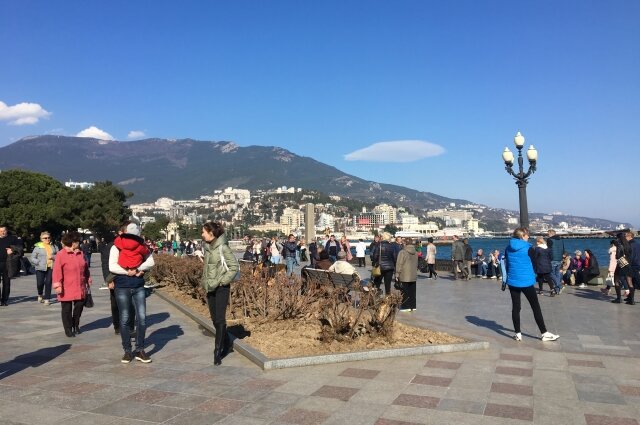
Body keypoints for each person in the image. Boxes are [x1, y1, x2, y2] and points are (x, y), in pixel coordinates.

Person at [109, 221, 155, 364]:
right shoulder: (116, 247)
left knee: (141, 318)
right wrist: (130, 271)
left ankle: (140, 349)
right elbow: (112, 266)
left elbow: (150, 261)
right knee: (125, 318)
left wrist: (137, 269)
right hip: (122, 286)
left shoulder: (141, 247)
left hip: (138, 286)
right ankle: (127, 350)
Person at [504, 228, 559, 342]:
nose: (528, 237)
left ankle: (518, 334)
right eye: (527, 235)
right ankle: (544, 333)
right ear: (522, 236)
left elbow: (507, 264)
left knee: (516, 307)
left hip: (513, 280)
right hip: (526, 281)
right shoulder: (529, 248)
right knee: (535, 307)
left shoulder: (508, 248)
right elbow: (535, 263)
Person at [201, 221, 239, 365]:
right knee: (214, 319)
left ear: (211, 233)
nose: (202, 234)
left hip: (221, 288)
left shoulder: (223, 247)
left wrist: (223, 281)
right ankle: (228, 342)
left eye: (204, 232)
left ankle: (218, 351)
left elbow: (234, 267)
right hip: (210, 287)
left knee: (220, 318)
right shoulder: (208, 247)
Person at [52, 231, 91, 337]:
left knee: (79, 306)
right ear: (72, 242)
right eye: (77, 241)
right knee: (66, 309)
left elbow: (85, 267)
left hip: (80, 285)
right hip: (66, 286)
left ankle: (75, 323)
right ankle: (68, 329)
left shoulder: (80, 253)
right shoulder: (61, 254)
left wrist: (88, 278)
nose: (79, 242)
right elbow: (56, 271)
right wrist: (57, 285)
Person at [100, 229, 134, 335]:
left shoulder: (134, 245)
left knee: (131, 304)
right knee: (116, 304)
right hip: (115, 279)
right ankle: (117, 326)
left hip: (130, 279)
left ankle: (130, 327)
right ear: (120, 232)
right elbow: (105, 265)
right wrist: (109, 280)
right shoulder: (111, 246)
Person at [30, 231, 58, 305]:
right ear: (41, 239)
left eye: (49, 238)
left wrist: (54, 257)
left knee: (48, 282)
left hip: (51, 267)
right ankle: (40, 294)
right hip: (40, 268)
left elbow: (59, 255)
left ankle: (47, 299)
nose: (47, 239)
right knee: (40, 283)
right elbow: (32, 257)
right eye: (45, 238)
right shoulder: (38, 247)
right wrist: (38, 262)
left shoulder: (54, 246)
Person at [611, 232, 635, 305]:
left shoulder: (619, 245)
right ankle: (632, 300)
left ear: (619, 238)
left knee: (616, 280)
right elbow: (631, 255)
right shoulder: (628, 245)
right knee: (630, 282)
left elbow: (618, 256)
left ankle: (619, 298)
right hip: (628, 265)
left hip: (621, 265)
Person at [396, 238, 418, 311]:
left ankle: (406, 307)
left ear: (405, 243)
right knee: (412, 291)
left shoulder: (402, 252)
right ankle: (413, 306)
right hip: (413, 274)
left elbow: (399, 264)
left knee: (405, 291)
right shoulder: (415, 252)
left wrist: (397, 274)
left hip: (404, 274)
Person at [0, 225, 20, 306]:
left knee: (6, 282)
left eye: (3, 231)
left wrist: (12, 250)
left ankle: (4, 300)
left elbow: (20, 248)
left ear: (7, 230)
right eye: (0, 231)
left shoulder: (12, 238)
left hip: (7, 263)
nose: (2, 232)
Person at [546, 229, 565, 294]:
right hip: (560, 259)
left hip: (552, 259)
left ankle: (559, 285)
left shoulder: (549, 240)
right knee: (557, 274)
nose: (547, 236)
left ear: (551, 234)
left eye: (548, 234)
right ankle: (557, 290)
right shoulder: (561, 240)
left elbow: (548, 250)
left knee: (551, 274)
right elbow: (563, 249)